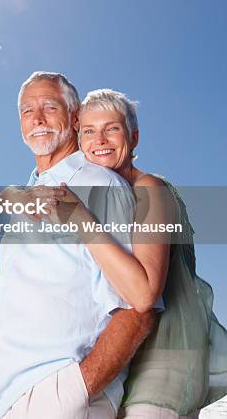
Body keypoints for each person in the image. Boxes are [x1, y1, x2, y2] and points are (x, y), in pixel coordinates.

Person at [0, 72, 163, 419]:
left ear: (75, 116)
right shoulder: (29, 192)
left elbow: (137, 309)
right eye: (27, 110)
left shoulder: (101, 184)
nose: (37, 118)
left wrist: (77, 388)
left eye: (50, 106)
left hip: (55, 393)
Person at [57, 88, 227, 418]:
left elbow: (146, 292)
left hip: (165, 357)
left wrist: (78, 216)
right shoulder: (109, 196)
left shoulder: (150, 188)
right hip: (131, 353)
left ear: (133, 137)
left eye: (112, 128)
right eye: (89, 131)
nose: (99, 139)